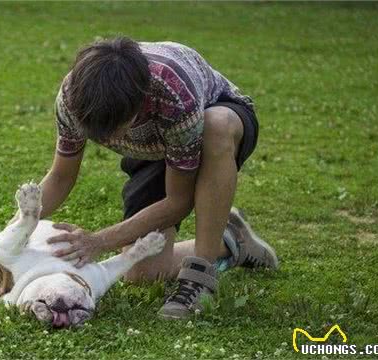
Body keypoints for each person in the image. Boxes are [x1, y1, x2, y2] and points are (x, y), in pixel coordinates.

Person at [30, 36, 278, 319]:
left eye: (115, 130)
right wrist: (11, 232)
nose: (108, 140)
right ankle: (232, 239)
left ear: (139, 104)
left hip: (215, 120)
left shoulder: (173, 91)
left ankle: (200, 277)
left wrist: (99, 240)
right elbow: (61, 178)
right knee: (141, 272)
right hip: (156, 147)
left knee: (216, 126)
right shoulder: (74, 98)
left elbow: (178, 200)